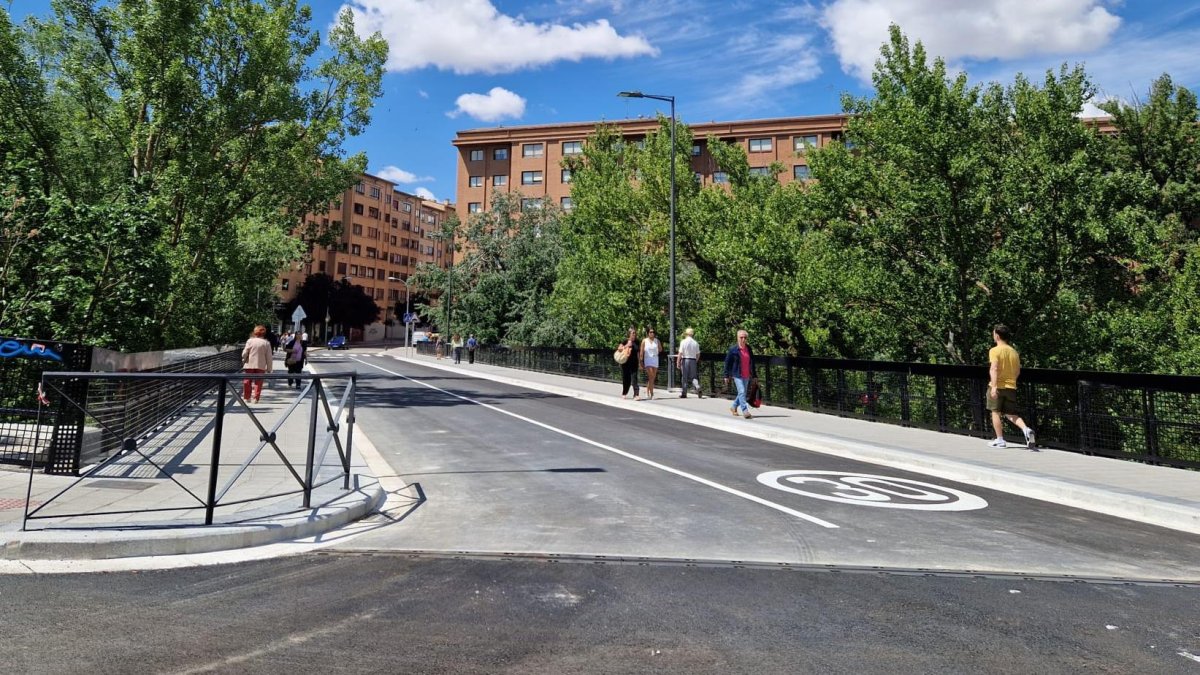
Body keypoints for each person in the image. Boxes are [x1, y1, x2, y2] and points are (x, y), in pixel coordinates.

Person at [987, 324, 1036, 449]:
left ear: (997, 336)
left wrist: (994, 386)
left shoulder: (994, 350)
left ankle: (1000, 440)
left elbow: (994, 368)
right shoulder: (1014, 352)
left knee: (995, 412)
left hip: (998, 386)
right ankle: (1026, 429)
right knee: (1010, 413)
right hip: (1011, 387)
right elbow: (1017, 371)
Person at [723, 329, 756, 419]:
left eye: (745, 337)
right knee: (741, 391)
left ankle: (733, 407)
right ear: (737, 338)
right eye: (741, 337)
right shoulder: (733, 349)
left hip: (747, 374)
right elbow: (727, 362)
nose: (743, 339)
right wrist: (726, 375)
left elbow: (752, 362)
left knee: (742, 393)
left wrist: (754, 375)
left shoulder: (748, 348)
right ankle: (745, 411)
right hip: (737, 374)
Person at [241, 325, 273, 403]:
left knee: (247, 381)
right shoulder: (266, 343)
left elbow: (245, 353)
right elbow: (269, 357)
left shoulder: (250, 341)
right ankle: (256, 398)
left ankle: (247, 397)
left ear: (255, 332)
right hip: (261, 365)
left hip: (249, 364)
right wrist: (269, 368)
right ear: (264, 333)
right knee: (258, 382)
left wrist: (243, 359)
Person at [676, 327, 703, 398]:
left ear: (686, 334)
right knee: (694, 377)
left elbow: (680, 353)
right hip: (693, 360)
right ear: (692, 334)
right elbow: (698, 354)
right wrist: (695, 360)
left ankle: (684, 393)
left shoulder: (683, 342)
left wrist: (678, 362)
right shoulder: (695, 343)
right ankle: (697, 387)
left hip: (685, 360)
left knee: (684, 377)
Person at [616, 327, 640, 400]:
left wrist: (640, 363)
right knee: (626, 379)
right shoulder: (625, 341)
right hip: (626, 363)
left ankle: (636, 395)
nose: (634, 334)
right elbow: (619, 348)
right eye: (633, 333)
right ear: (629, 334)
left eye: (635, 333)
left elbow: (638, 353)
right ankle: (624, 393)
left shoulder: (637, 342)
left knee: (634, 378)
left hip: (634, 363)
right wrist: (627, 345)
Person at [640, 328, 662, 399]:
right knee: (651, 376)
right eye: (650, 332)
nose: (652, 333)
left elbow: (660, 349)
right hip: (648, 359)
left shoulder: (657, 341)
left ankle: (647, 391)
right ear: (648, 333)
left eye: (653, 332)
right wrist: (641, 361)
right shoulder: (644, 341)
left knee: (652, 377)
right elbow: (641, 352)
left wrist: (657, 351)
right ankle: (652, 393)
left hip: (655, 359)